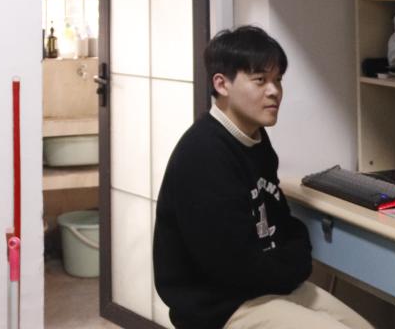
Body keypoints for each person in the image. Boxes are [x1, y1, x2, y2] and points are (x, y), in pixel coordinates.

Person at [153, 26, 373, 329]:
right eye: (260, 80)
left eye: (277, 80)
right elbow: (235, 269)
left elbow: (283, 224)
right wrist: (296, 263)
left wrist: (292, 259)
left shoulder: (254, 137)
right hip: (221, 308)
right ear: (222, 84)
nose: (274, 91)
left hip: (265, 287)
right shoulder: (203, 155)